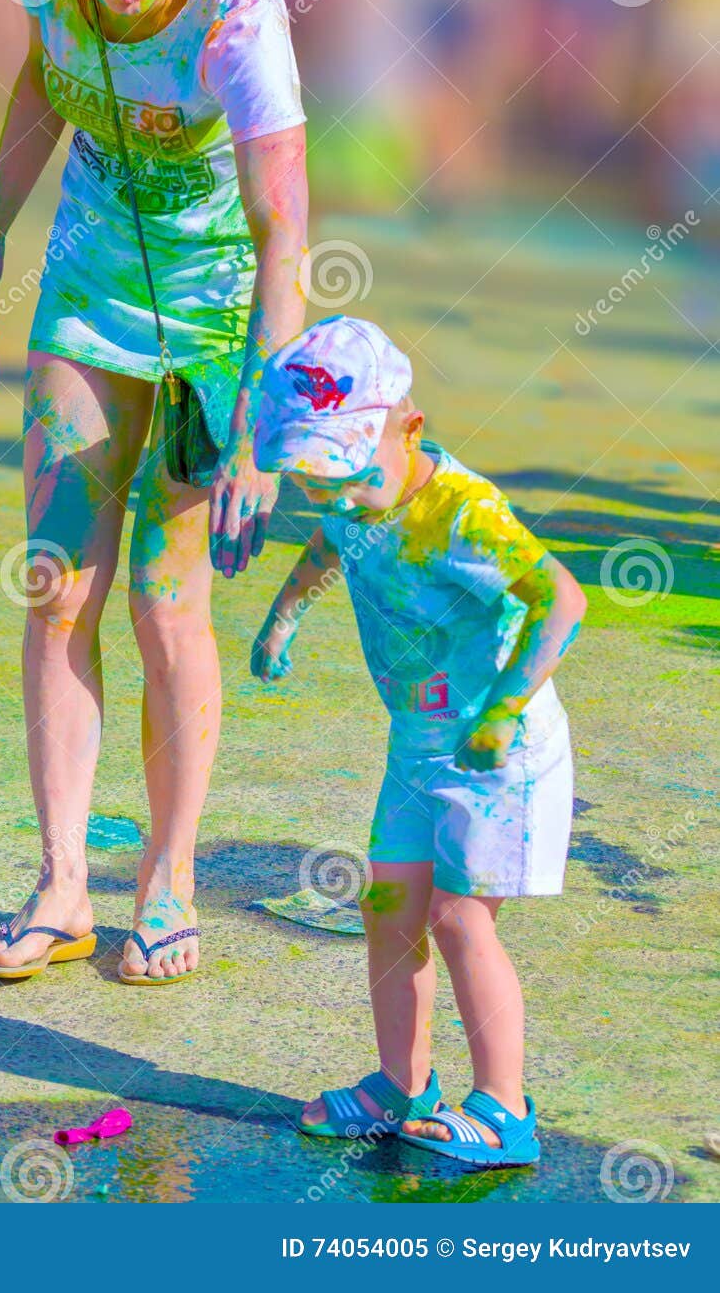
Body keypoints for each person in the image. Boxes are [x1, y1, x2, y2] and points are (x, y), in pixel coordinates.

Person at [0, 0, 309, 984]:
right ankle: (60, 883)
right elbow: (45, 83)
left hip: (213, 321)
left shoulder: (238, 15)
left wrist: (259, 424)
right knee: (56, 583)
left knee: (167, 606)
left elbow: (281, 234)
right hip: (90, 287)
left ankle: (167, 874)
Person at [250, 315, 586, 1166]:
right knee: (389, 908)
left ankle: (505, 1111)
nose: (330, 495)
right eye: (308, 478)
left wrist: (505, 708)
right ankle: (401, 1085)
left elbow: (561, 598)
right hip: (416, 741)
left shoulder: (461, 513)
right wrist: (284, 616)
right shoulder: (352, 497)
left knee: (457, 917)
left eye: (344, 473)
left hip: (494, 754)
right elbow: (331, 541)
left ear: (408, 429)